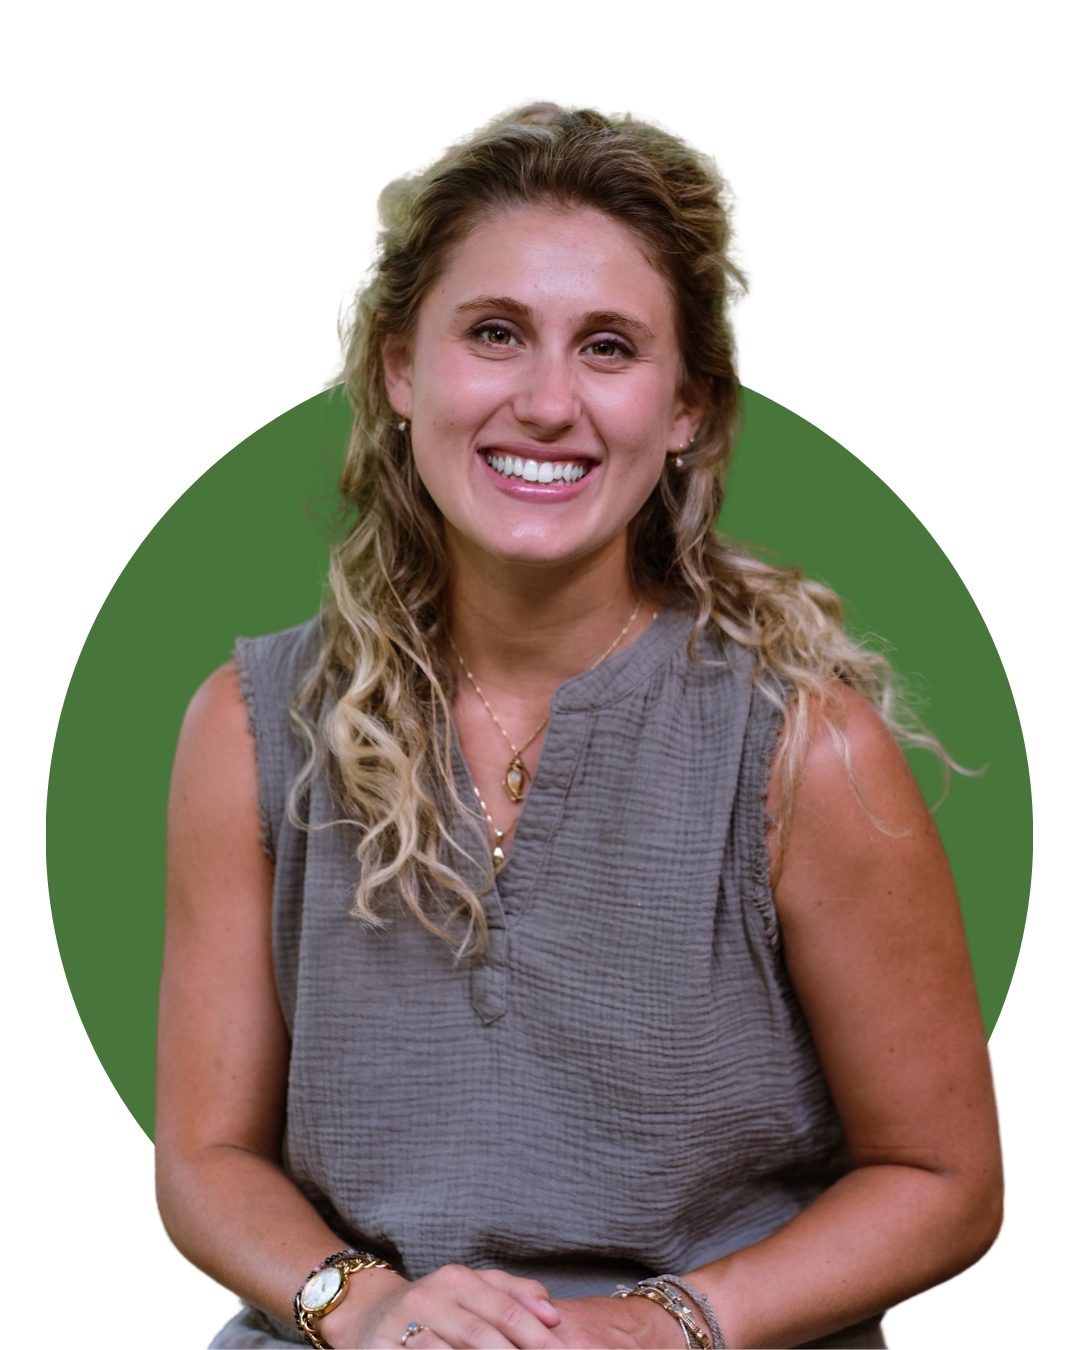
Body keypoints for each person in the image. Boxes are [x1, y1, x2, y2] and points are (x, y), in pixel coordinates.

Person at [156, 104, 1002, 1350]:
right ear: (400, 369)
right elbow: (205, 1159)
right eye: (494, 333)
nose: (548, 402)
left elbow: (943, 1181)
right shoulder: (249, 724)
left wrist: (666, 1323)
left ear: (687, 408)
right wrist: (367, 1306)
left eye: (609, 347)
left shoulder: (801, 753)